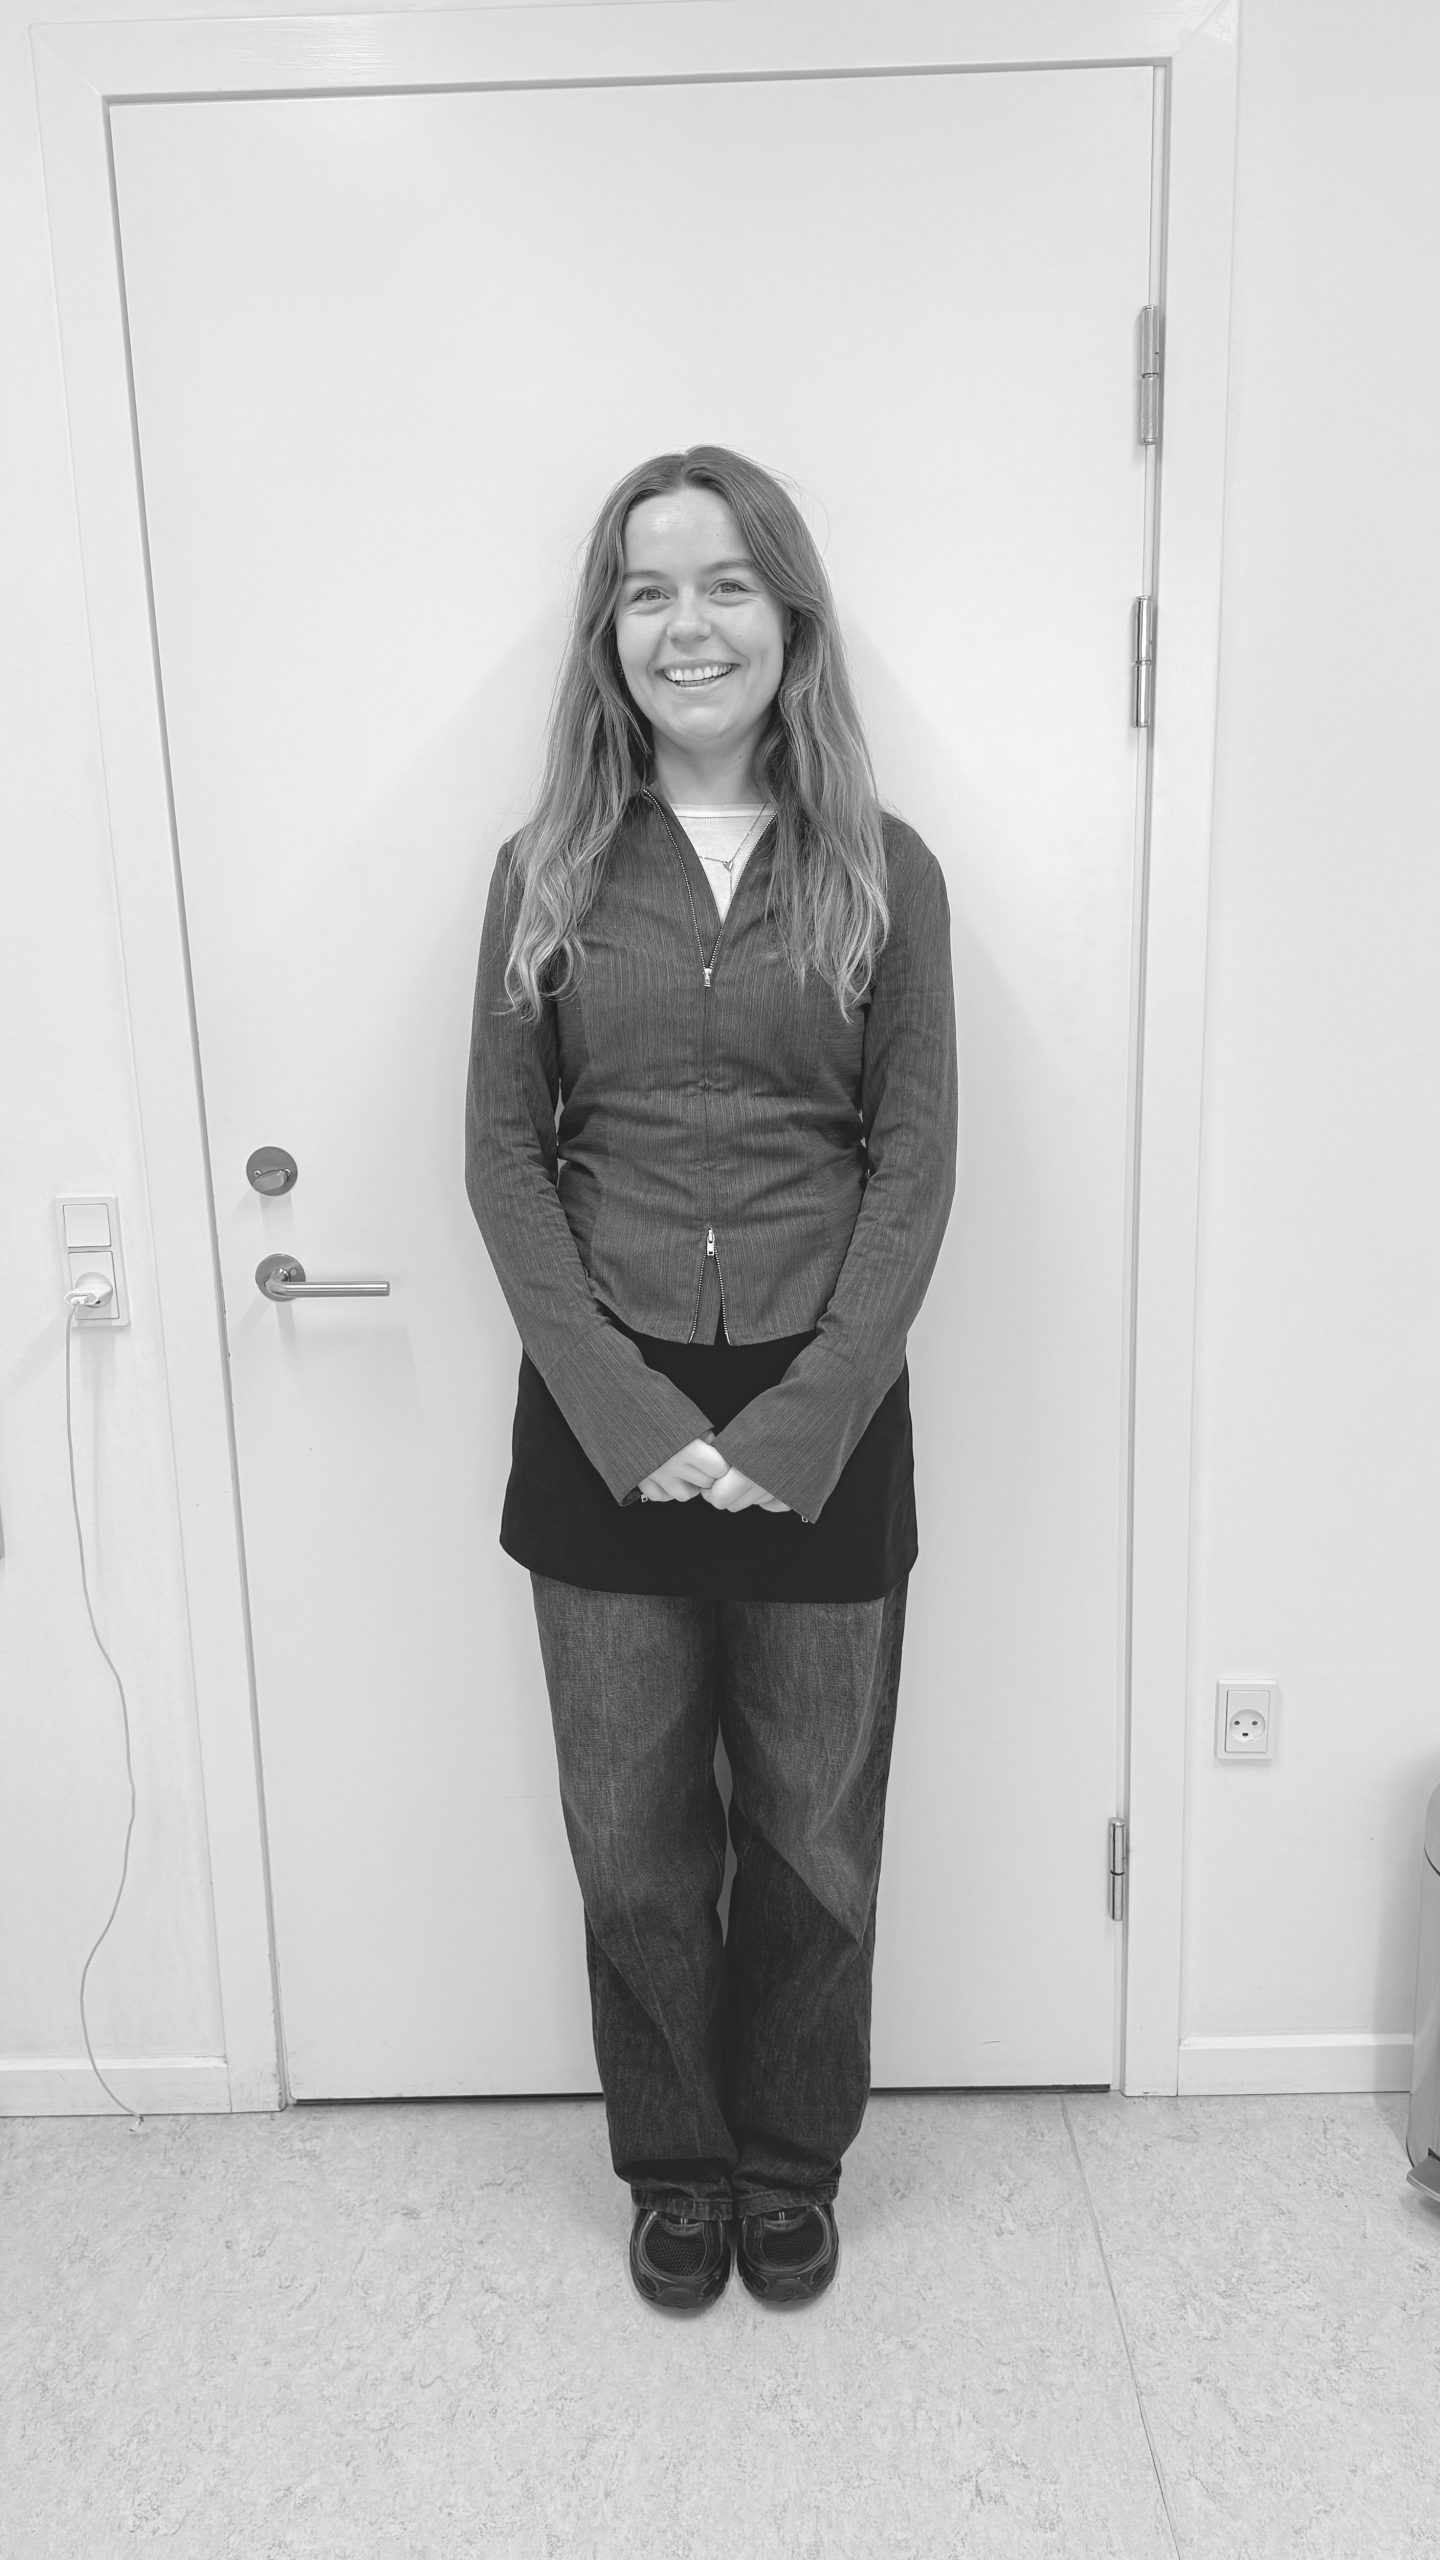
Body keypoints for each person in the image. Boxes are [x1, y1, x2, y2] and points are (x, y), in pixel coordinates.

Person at [465, 444, 957, 2312]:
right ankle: (675, 2165)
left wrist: (805, 1419)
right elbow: (504, 1162)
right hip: (601, 1422)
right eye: (650, 588)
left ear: (789, 618)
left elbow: (913, 1164)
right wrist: (634, 1420)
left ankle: (789, 2161)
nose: (690, 624)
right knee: (633, 1835)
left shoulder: (884, 869)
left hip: (830, 1417)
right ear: (609, 633)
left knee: (815, 1829)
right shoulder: (545, 871)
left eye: (728, 583)